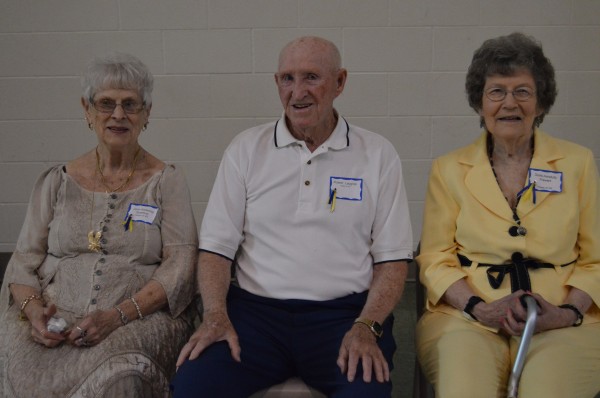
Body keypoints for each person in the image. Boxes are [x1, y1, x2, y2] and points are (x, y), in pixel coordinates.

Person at [172, 36, 413, 397]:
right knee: (193, 386)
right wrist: (215, 315)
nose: (298, 92)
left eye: (311, 77)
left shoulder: (377, 154)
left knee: (367, 393)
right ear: (276, 83)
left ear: (340, 82)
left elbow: (393, 261)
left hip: (343, 318)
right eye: (287, 79)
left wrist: (366, 326)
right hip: (255, 318)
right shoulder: (245, 149)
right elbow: (216, 251)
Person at [0, 52, 198, 397]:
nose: (118, 115)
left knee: (119, 376)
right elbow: (22, 264)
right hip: (53, 317)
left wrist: (117, 316)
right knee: (23, 372)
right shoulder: (55, 181)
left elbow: (180, 265)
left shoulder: (167, 181)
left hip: (135, 318)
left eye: (130, 105)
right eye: (106, 103)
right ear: (87, 110)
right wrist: (34, 313)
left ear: (146, 112)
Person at [415, 32, 600, 397]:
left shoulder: (577, 163)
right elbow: (436, 259)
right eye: (496, 91)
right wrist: (478, 307)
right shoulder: (449, 169)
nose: (509, 103)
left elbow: (596, 260)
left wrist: (566, 313)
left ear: (541, 102)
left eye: (522, 91)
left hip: (561, 320)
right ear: (480, 103)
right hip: (467, 318)